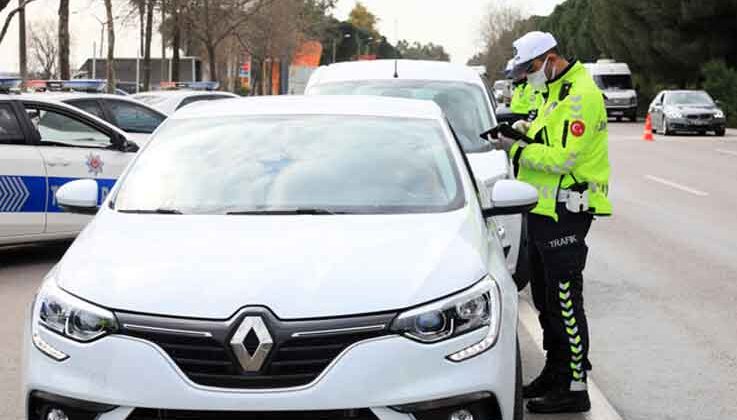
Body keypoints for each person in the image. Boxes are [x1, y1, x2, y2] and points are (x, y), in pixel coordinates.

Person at [494, 31, 612, 414]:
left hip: (567, 211)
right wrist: (518, 133)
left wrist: (517, 148)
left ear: (548, 59)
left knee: (564, 300)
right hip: (543, 212)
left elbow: (563, 158)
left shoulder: (580, 95)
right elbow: (543, 136)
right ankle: (555, 371)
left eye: (529, 69)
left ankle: (575, 384)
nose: (527, 77)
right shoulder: (554, 92)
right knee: (546, 300)